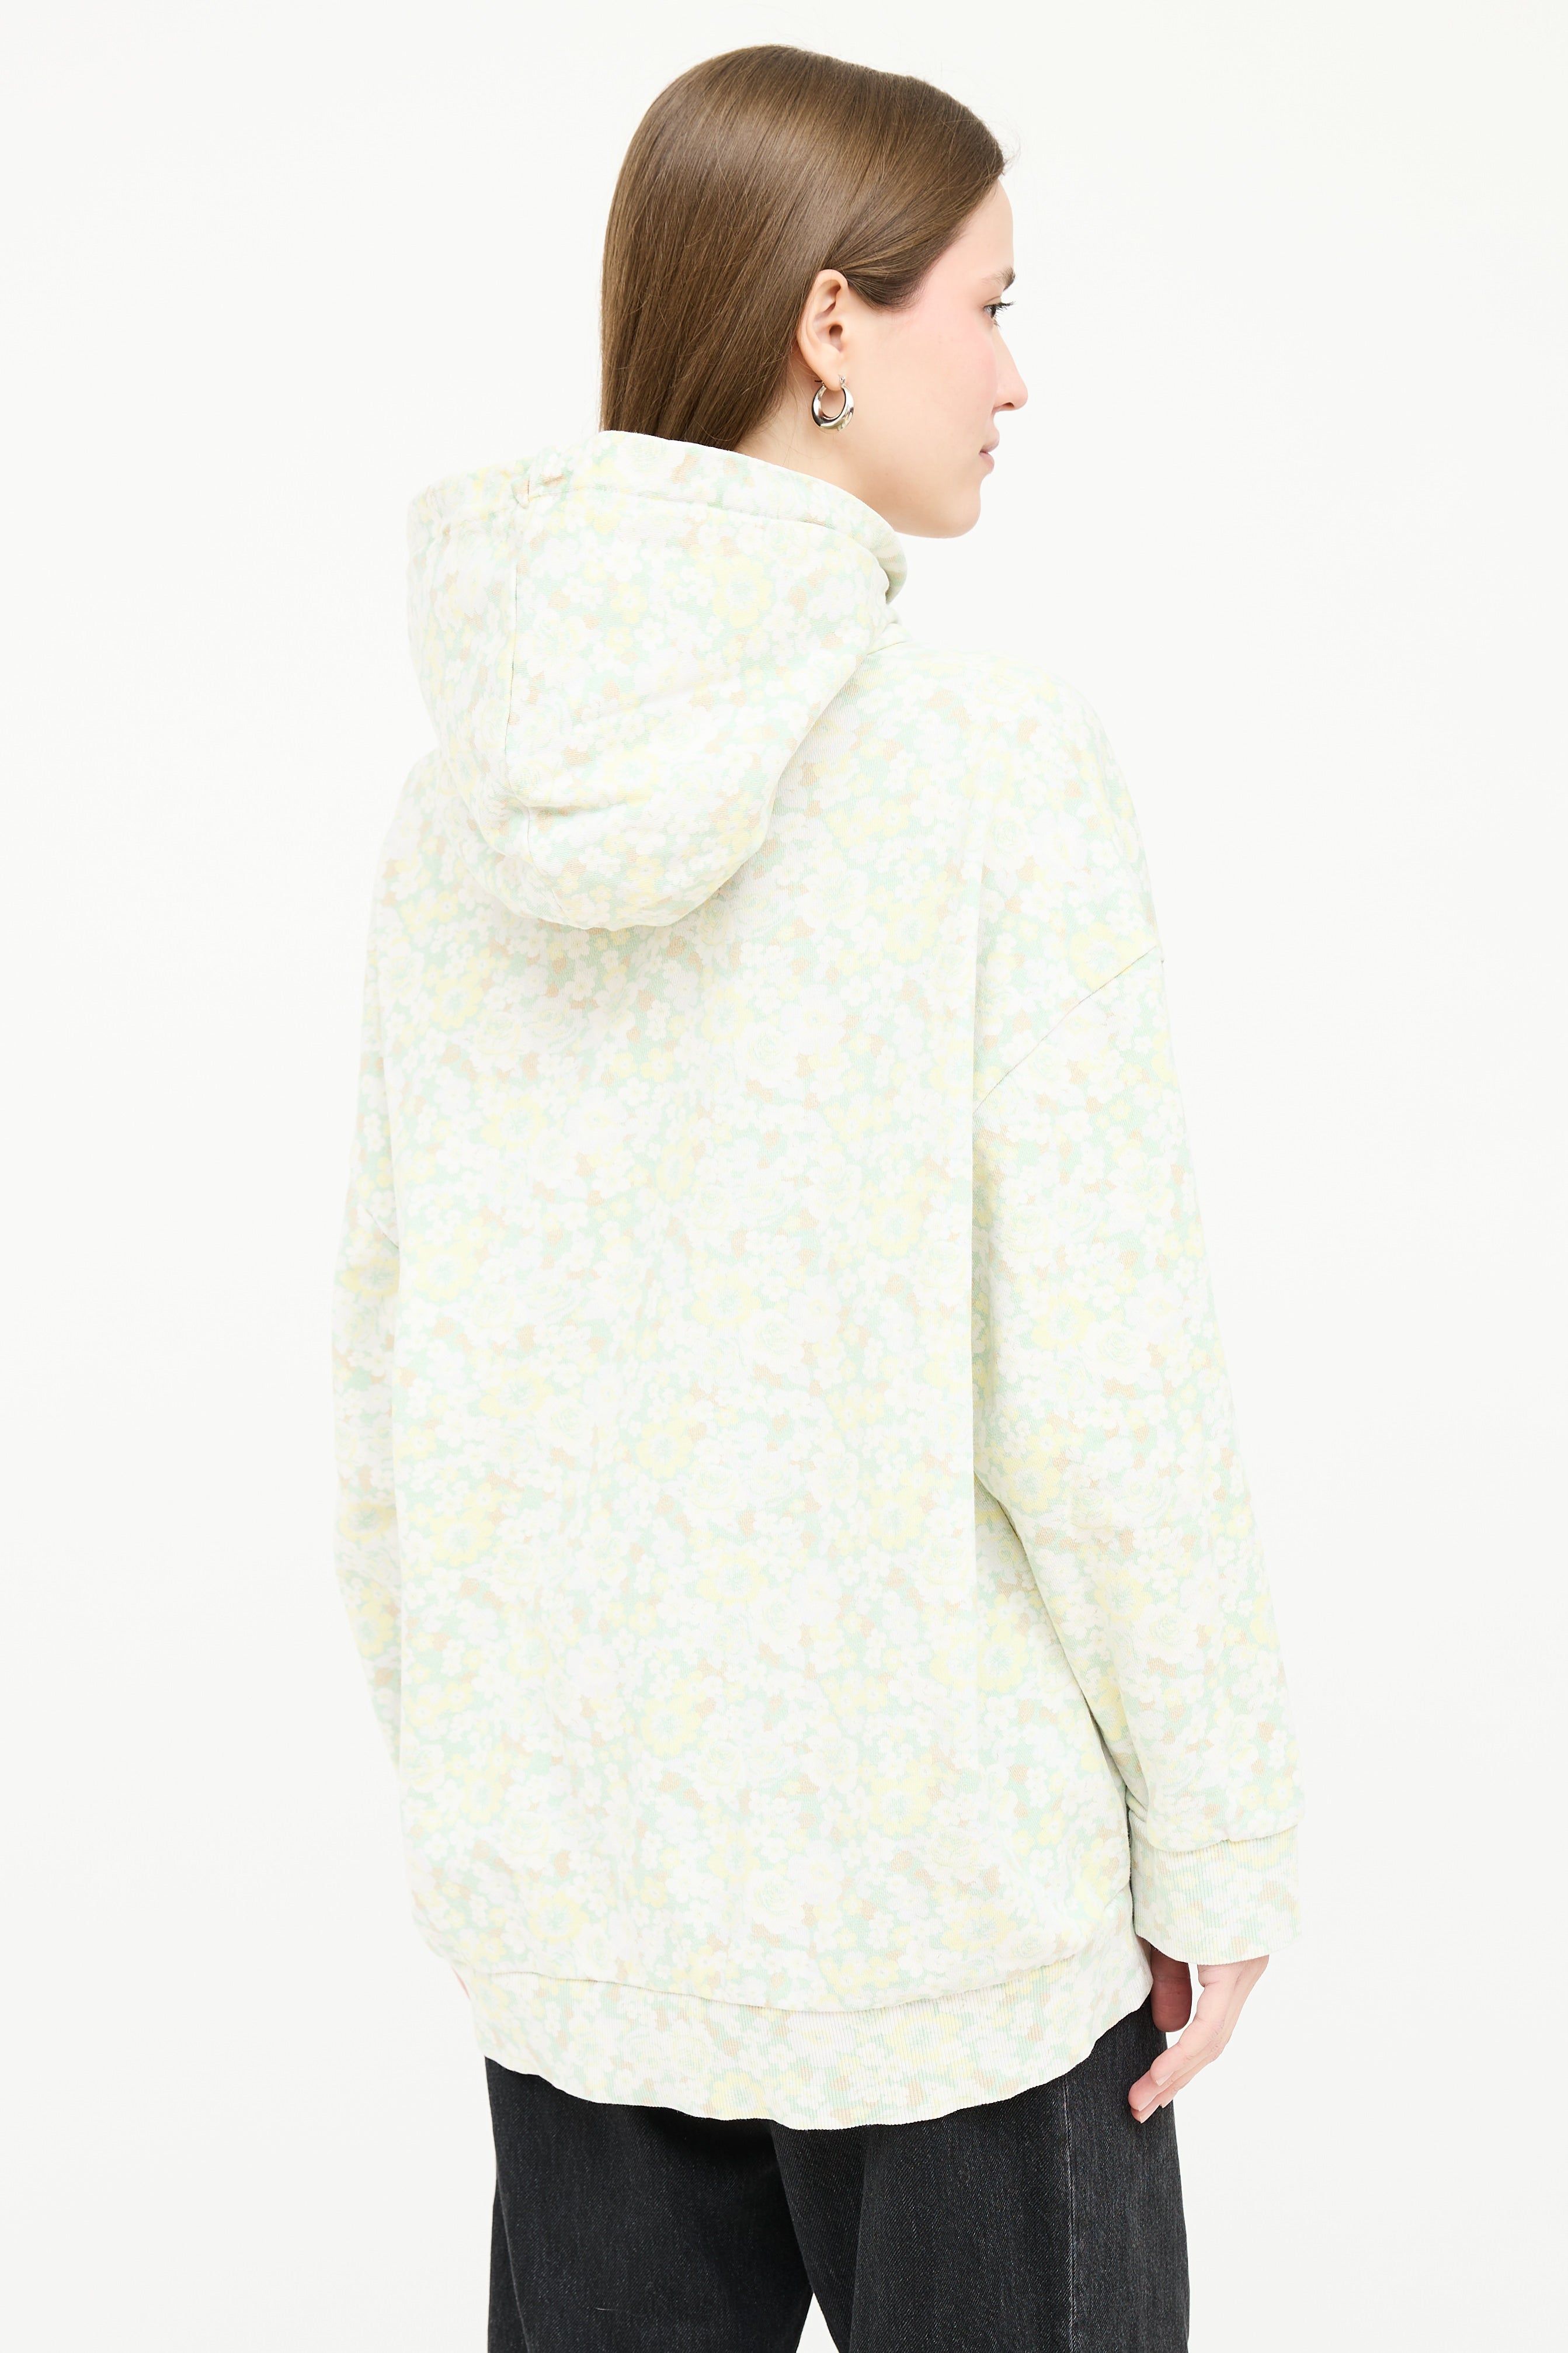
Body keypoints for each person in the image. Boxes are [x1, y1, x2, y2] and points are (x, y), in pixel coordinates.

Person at [333, 42, 1302, 2352]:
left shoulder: (462, 810)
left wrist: (508, 1789)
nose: (1019, 376)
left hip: (583, 1908)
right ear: (831, 324)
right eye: (990, 303)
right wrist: (1219, 1836)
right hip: (948, 1926)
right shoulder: (982, 757)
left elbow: (389, 1375)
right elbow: (1105, 1374)